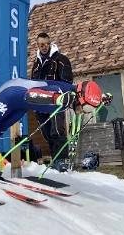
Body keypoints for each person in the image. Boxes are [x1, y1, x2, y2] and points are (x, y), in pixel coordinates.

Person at [0, 78, 109, 173]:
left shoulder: (75, 96)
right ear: (79, 97)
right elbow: (30, 95)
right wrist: (55, 98)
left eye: (90, 109)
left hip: (21, 106)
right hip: (11, 93)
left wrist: (101, 99)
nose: (84, 111)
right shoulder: (61, 94)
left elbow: (88, 96)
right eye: (86, 108)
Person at [30, 32, 73, 167]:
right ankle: (56, 161)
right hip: (41, 102)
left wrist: (64, 97)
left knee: (57, 131)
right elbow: (33, 83)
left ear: (50, 43)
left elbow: (67, 83)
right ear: (37, 45)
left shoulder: (61, 59)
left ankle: (62, 162)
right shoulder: (36, 63)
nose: (44, 47)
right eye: (41, 44)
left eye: (47, 44)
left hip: (56, 101)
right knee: (46, 133)